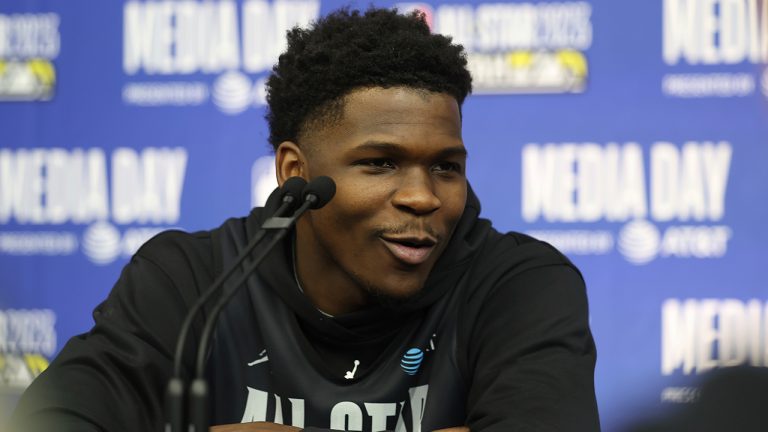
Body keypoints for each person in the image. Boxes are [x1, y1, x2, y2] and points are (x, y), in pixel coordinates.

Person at [10, 8, 599, 432]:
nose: (423, 197)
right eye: (381, 163)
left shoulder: (518, 282)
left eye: (446, 166)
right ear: (294, 171)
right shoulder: (193, 281)